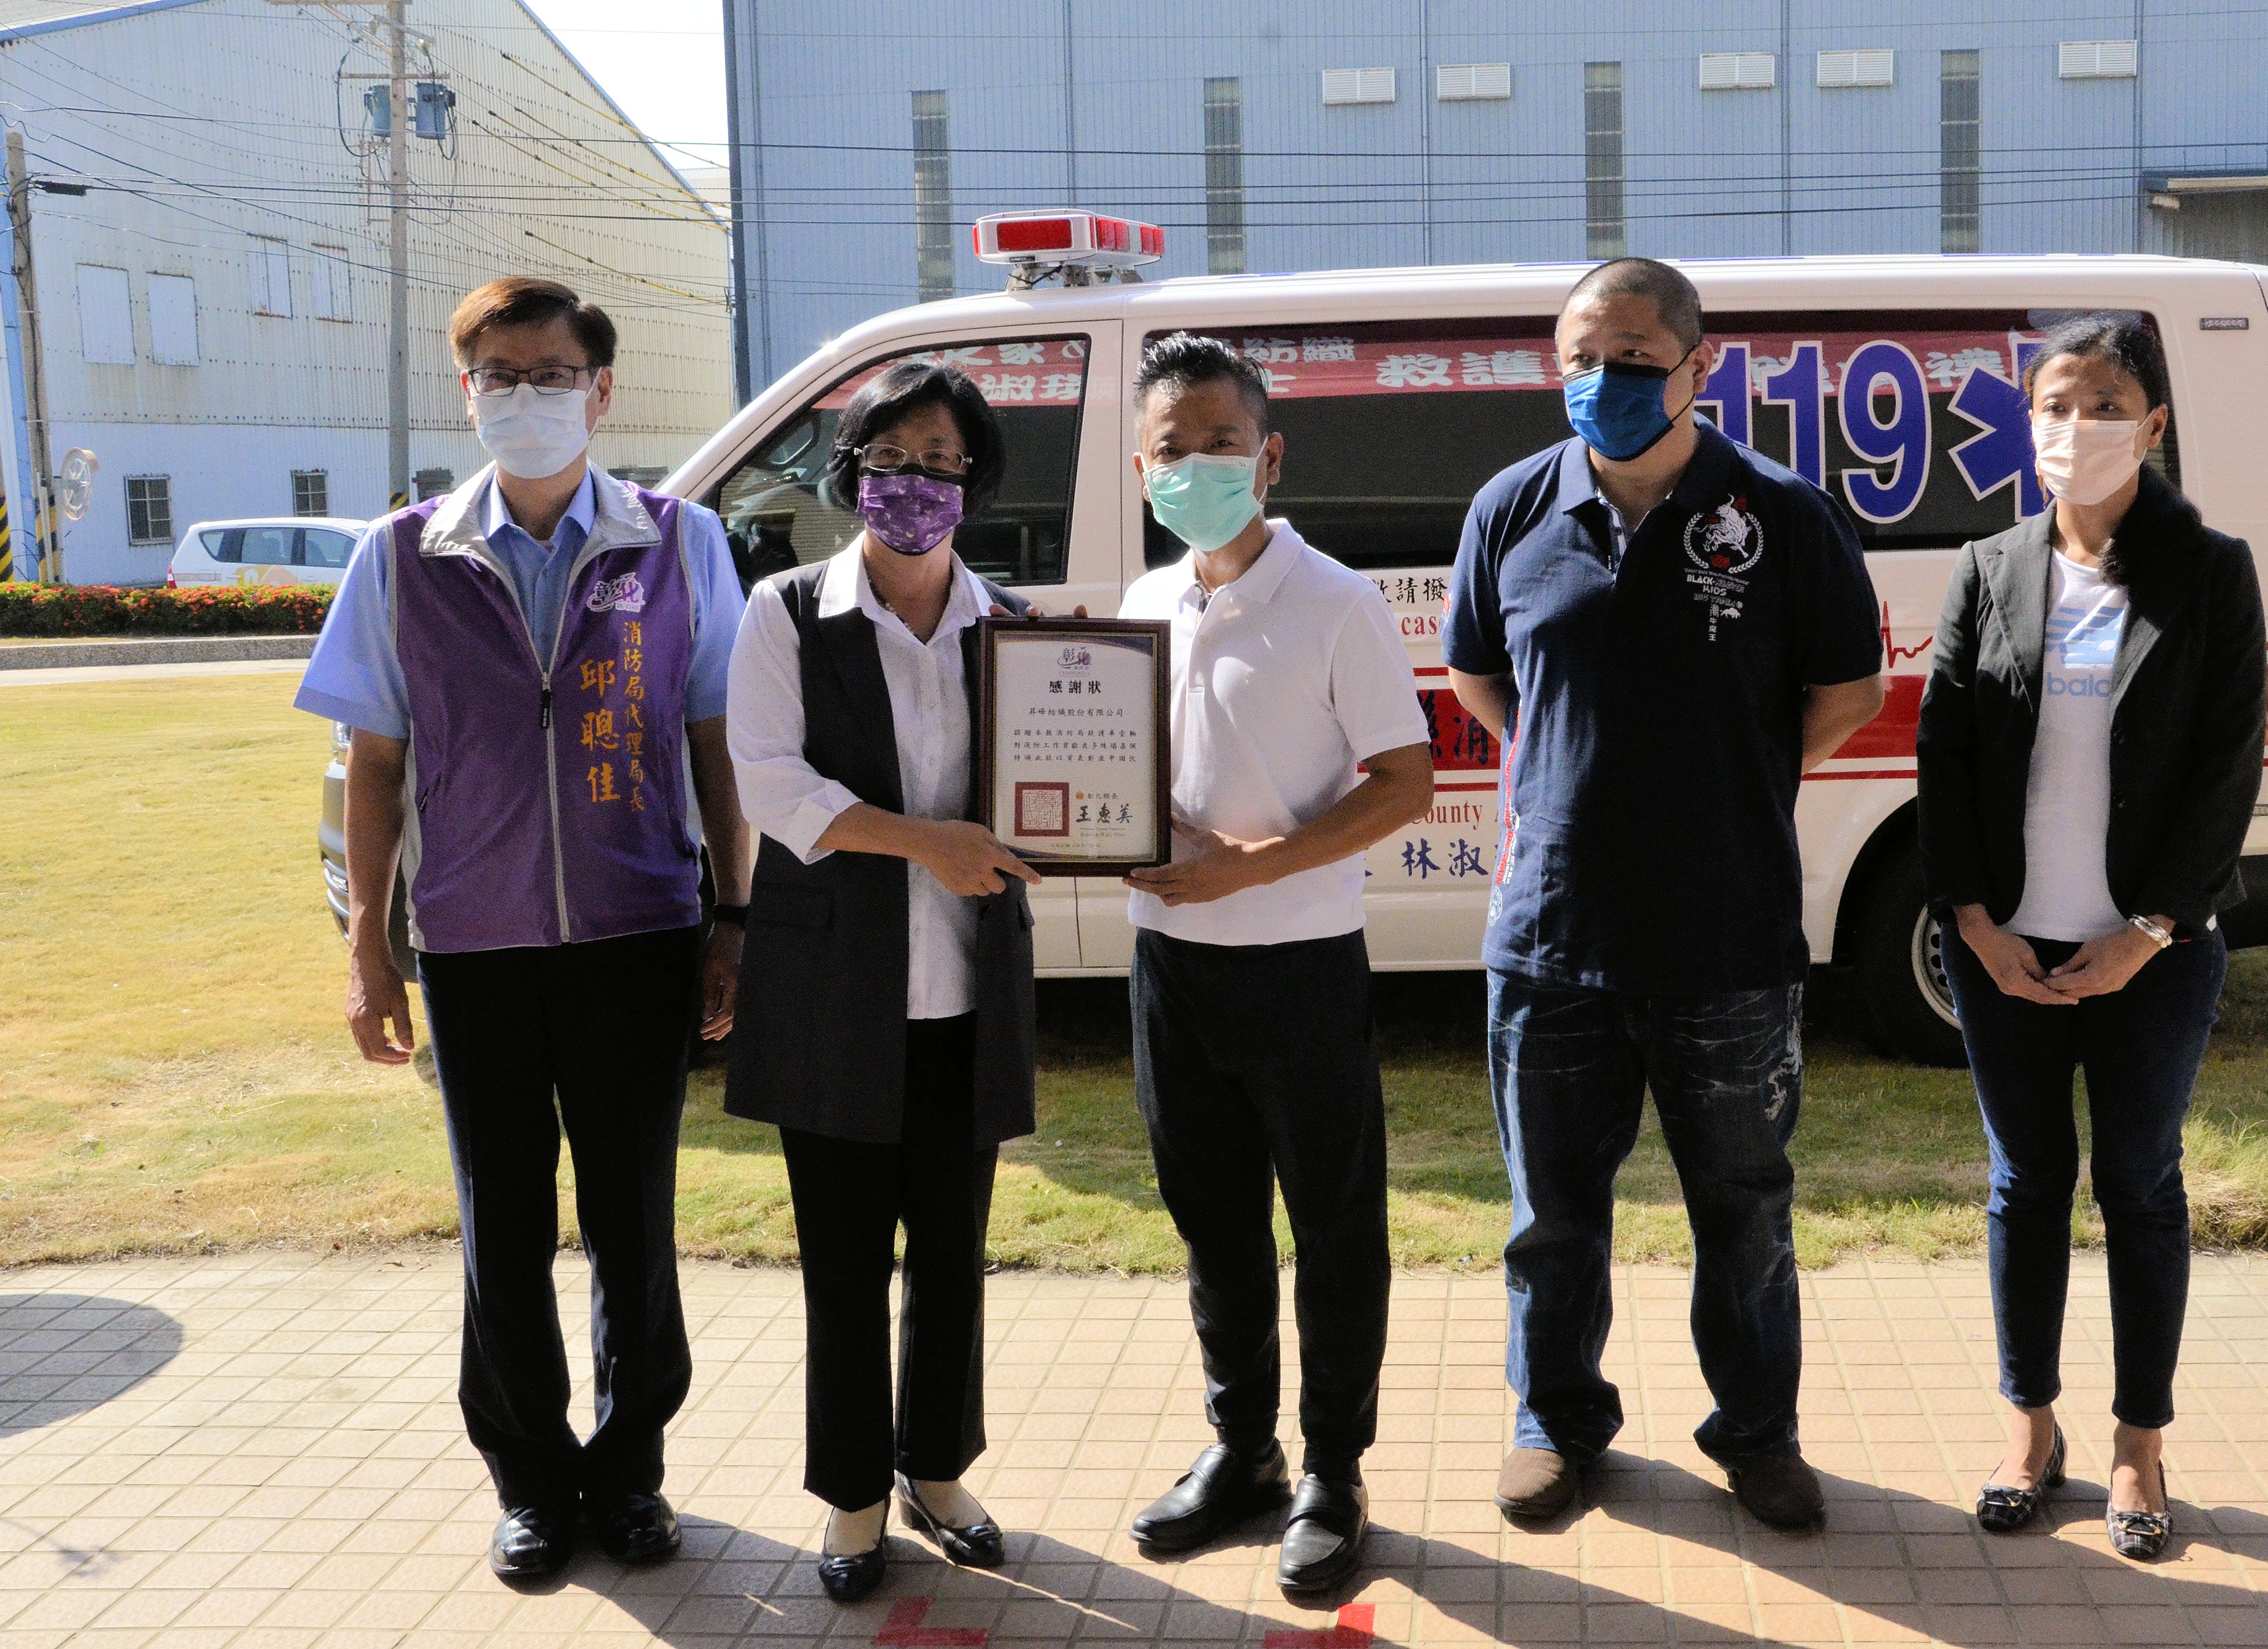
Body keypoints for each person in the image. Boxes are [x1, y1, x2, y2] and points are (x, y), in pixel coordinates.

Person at [297, 277, 749, 1582]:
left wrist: (733, 915)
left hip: (637, 934)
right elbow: (374, 764)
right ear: (468, 393)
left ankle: (632, 1471)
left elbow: (716, 740)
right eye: (499, 374)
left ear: (601, 392)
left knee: (633, 1220)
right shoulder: (402, 556)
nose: (526, 396)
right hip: (473, 946)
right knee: (500, 1227)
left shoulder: (679, 543)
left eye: (551, 374)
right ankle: (531, 1484)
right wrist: (369, 950)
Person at [1442, 260, 1885, 1530]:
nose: (1605, 381)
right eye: (1581, 360)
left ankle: (1756, 1433)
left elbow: (1847, 689)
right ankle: (1555, 1421)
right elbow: (1480, 676)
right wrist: (1573, 771)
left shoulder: (1779, 514)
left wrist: (1735, 776)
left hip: (1727, 937)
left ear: (1699, 365)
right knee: (1551, 1217)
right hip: (1550, 936)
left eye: (1633, 359)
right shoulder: (1510, 507)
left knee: (1742, 1211)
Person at [1914, 315, 2266, 1562]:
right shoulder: (1989, 566)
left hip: (2151, 952)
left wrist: (2150, 929)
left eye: (2107, 405)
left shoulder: (2211, 572)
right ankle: (2030, 1430)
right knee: (2025, 1183)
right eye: (2056, 405)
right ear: (2030, 425)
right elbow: (1944, 754)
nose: (2079, 428)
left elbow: (2230, 766)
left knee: (2139, 1184)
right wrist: (1971, 918)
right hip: (2005, 946)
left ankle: (2138, 1447)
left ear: (2153, 425)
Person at [1115, 336, 1434, 1595]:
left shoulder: (1338, 602)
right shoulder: (1143, 605)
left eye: (1223, 443)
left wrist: (1253, 866)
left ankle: (1333, 1472)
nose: (1198, 466)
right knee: (1213, 1224)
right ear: (1141, 466)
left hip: (1300, 964)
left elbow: (1404, 783)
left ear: (1270, 456)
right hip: (1169, 965)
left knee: (1335, 1228)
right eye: (1173, 449)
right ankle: (1242, 1449)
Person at [722, 362, 1044, 1601]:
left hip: (967, 994)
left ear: (975, 481)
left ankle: (938, 1470)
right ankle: (854, 1496)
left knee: (954, 1257)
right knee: (844, 1265)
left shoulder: (1015, 629)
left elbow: (1062, 785)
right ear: (852, 471)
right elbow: (772, 784)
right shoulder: (788, 612)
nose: (918, 482)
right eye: (894, 458)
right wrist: (928, 844)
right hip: (836, 997)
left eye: (944, 461)